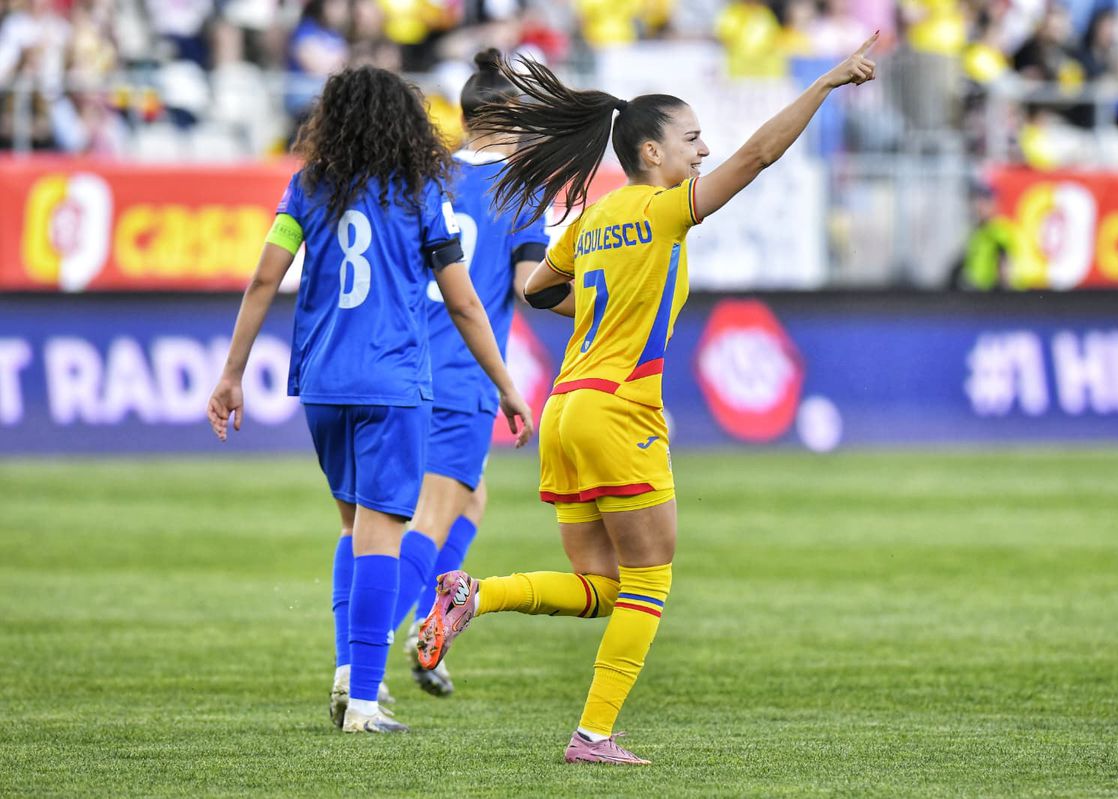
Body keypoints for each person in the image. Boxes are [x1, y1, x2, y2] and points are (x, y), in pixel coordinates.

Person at [415, 38, 877, 764]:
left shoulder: (593, 219)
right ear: (652, 153)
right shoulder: (664, 212)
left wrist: (603, 310)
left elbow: (536, 290)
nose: (704, 150)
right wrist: (822, 85)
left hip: (566, 406)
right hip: (619, 410)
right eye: (691, 139)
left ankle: (479, 594)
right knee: (650, 581)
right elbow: (757, 157)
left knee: (600, 587)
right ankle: (593, 734)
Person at [205, 65, 532, 734]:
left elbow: (267, 275)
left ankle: (353, 672)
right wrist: (505, 383)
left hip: (321, 381)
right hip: (393, 381)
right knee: (386, 532)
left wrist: (231, 372)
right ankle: (359, 693)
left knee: (354, 529)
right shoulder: (419, 194)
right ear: (404, 123)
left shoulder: (307, 186)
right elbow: (465, 300)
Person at [388, 48, 552, 698]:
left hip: (402, 367)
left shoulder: (424, 177)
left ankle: (430, 627)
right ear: (509, 116)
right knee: (428, 521)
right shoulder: (520, 187)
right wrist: (596, 289)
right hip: (463, 374)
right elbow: (531, 286)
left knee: (469, 497)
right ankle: (367, 659)